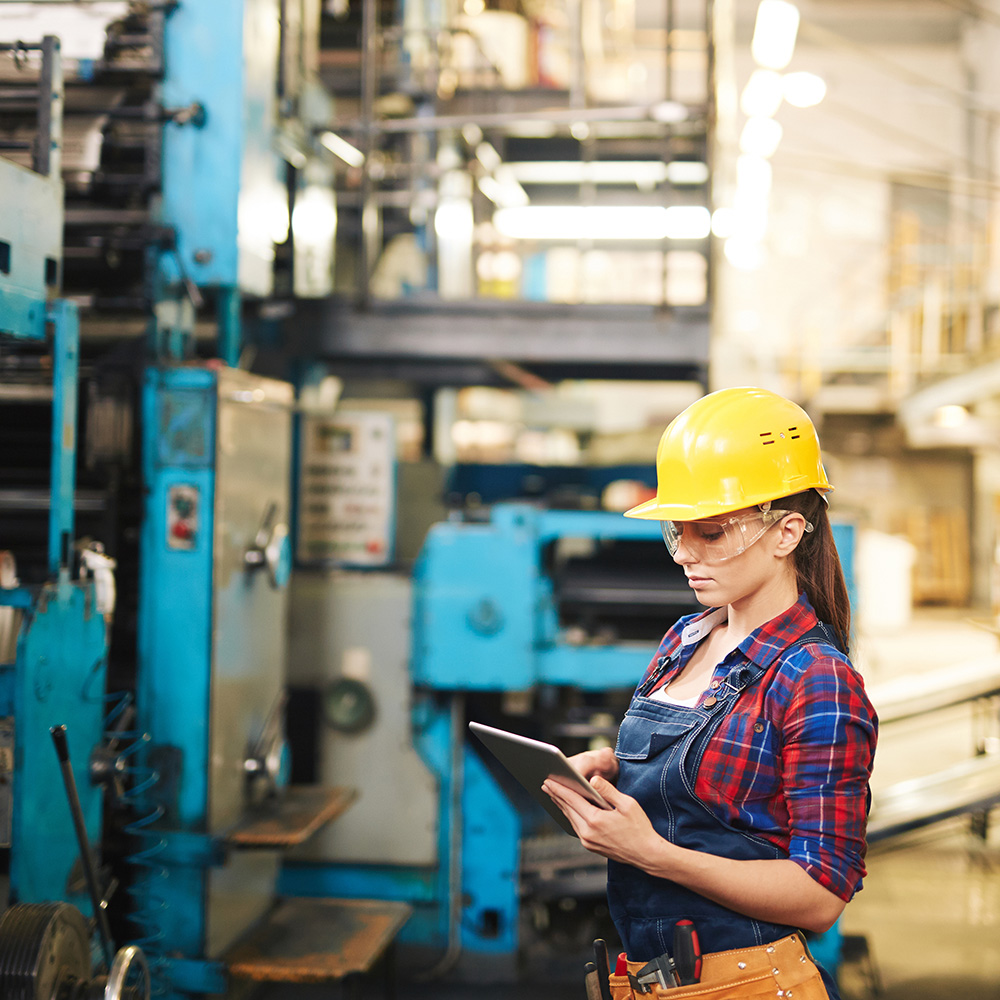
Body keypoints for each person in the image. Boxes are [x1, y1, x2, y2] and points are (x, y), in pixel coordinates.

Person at [543, 386, 877, 1000]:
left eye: (712, 532)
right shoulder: (687, 637)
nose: (687, 556)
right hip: (655, 981)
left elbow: (821, 895)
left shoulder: (817, 681)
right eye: (678, 533)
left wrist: (652, 854)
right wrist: (610, 772)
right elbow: (713, 780)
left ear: (787, 532)